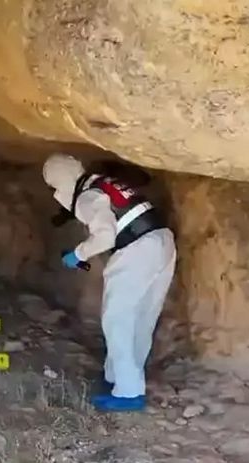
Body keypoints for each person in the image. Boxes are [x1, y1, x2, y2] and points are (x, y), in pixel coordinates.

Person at [42, 154, 176, 412]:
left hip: (137, 247)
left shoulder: (86, 197)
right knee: (143, 316)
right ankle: (120, 376)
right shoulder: (103, 183)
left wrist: (78, 254)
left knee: (118, 318)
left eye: (53, 186)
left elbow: (105, 237)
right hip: (162, 240)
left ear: (60, 181)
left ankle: (128, 392)